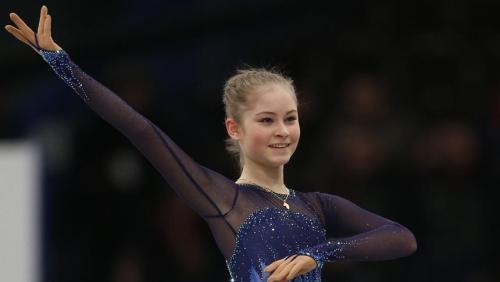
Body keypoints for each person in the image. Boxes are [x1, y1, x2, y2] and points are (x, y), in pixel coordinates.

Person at [5, 6, 417, 282]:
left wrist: (321, 253)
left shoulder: (316, 204)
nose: (282, 131)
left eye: (290, 119)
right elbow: (142, 130)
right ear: (235, 129)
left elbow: (401, 238)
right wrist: (60, 61)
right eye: (267, 120)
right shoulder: (225, 200)